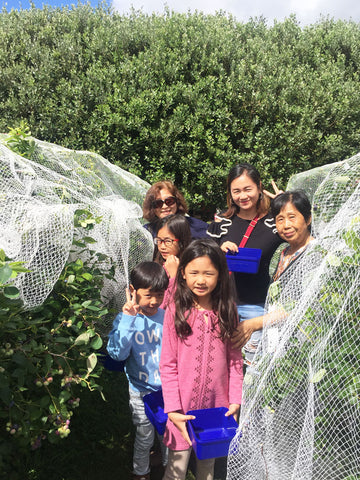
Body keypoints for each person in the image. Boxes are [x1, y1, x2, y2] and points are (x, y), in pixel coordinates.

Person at [159, 239, 244, 480]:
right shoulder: (176, 310)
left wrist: (235, 400)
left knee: (207, 469)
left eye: (209, 273)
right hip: (182, 409)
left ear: (220, 275)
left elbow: (235, 361)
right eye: (194, 272)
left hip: (216, 409)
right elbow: (167, 364)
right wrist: (173, 409)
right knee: (176, 469)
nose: (201, 280)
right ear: (183, 273)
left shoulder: (228, 311)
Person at [206, 163, 284, 365]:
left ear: (259, 187)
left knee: (254, 370)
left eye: (248, 189)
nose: (243, 196)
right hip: (222, 307)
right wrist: (218, 250)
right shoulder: (220, 223)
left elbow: (305, 239)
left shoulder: (275, 222)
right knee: (222, 368)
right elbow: (202, 260)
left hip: (259, 308)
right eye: (236, 191)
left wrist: (286, 207)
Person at [107, 261, 169, 480]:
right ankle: (141, 473)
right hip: (140, 391)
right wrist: (128, 320)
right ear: (132, 291)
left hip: (167, 392)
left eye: (159, 295)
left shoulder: (167, 318)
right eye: (148, 295)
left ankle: (168, 469)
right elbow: (117, 354)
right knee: (144, 436)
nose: (154, 301)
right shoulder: (126, 320)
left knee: (167, 435)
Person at [231, 190, 315, 350]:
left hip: (302, 341)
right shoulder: (282, 251)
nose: (286, 225)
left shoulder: (316, 253)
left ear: (308, 219)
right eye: (280, 219)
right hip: (277, 338)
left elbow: (303, 306)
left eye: (292, 217)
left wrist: (255, 323)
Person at [142, 180, 208, 239]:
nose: (164, 206)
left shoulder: (198, 228)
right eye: (158, 203)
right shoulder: (146, 233)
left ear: (177, 202)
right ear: (152, 207)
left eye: (169, 201)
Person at [153, 214, 192, 309]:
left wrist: (174, 276)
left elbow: (183, 302)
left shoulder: (191, 268)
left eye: (168, 241)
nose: (162, 247)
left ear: (182, 241)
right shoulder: (158, 265)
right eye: (159, 240)